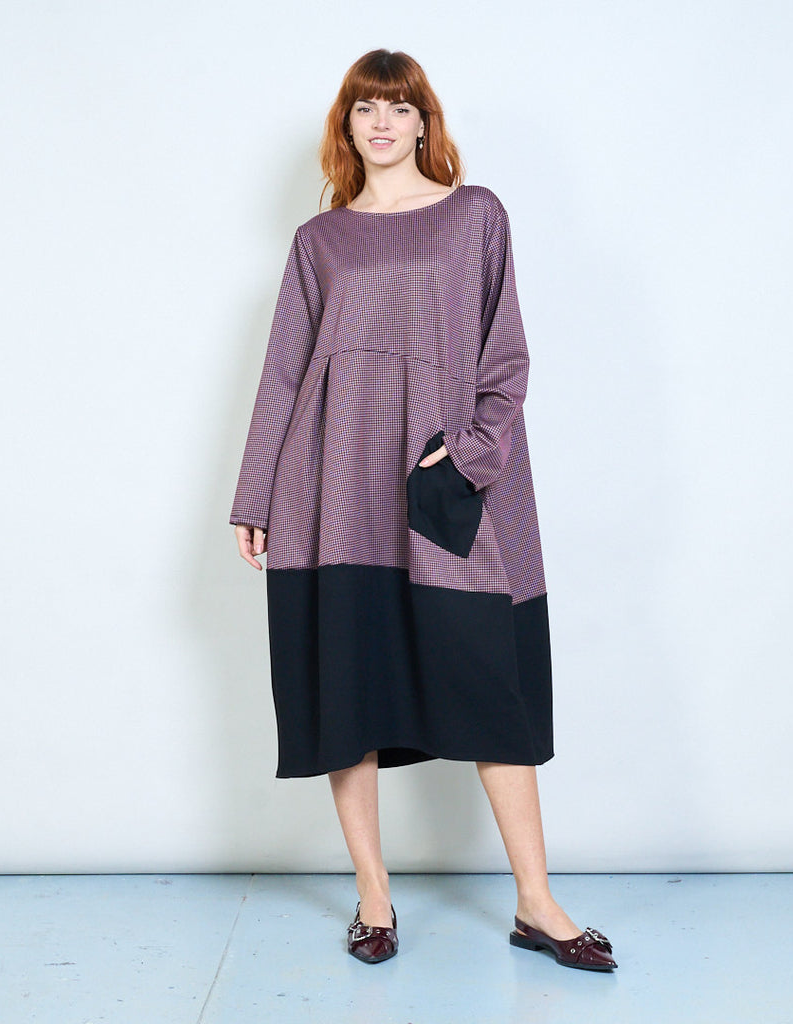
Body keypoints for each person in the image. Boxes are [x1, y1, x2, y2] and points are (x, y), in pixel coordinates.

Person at [229, 48, 616, 972]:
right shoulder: (319, 242)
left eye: (399, 107)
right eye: (366, 107)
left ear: (422, 122)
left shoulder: (475, 216)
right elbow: (283, 373)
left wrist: (469, 455)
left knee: (489, 683)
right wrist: (256, 494)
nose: (382, 123)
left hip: (443, 479)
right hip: (334, 487)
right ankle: (374, 897)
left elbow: (504, 355)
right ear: (347, 125)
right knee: (347, 687)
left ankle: (536, 903)